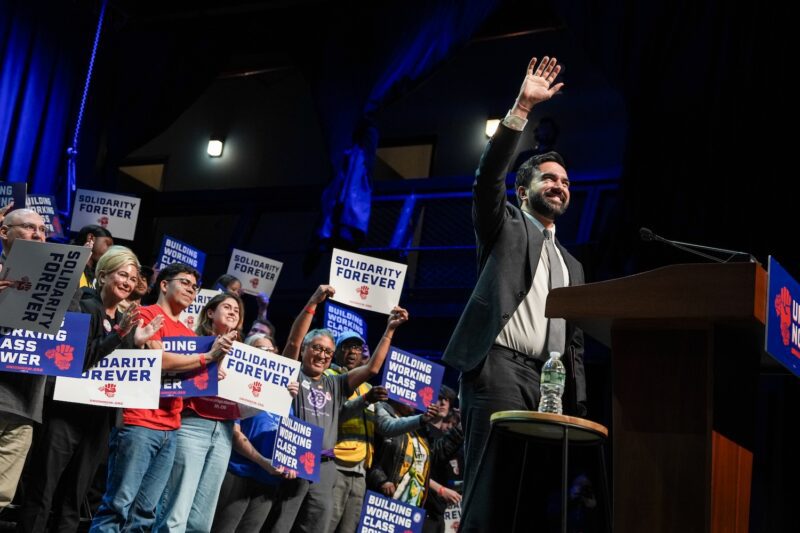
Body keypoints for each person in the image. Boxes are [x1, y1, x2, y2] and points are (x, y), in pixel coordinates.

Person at [441, 56, 586, 531]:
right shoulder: (504, 226)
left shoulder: (574, 265)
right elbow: (487, 179)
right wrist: (523, 106)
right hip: (497, 370)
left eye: (565, 182)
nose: (559, 187)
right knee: (487, 493)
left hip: (549, 386)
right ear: (524, 191)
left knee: (530, 497)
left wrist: (574, 403)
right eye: (549, 178)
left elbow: (577, 342)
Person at [17, 246, 163, 533]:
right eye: (122, 275)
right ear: (103, 274)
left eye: (133, 279)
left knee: (75, 497)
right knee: (43, 490)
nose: (128, 283)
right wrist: (121, 336)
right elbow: (80, 359)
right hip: (66, 415)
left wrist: (136, 342)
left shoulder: (125, 321)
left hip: (98, 420)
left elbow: (121, 372)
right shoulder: (84, 306)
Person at [89, 263, 235, 532]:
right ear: (164, 285)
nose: (191, 289)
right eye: (185, 283)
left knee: (145, 514)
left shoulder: (190, 336)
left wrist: (210, 372)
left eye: (195, 286)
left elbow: (187, 373)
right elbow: (162, 360)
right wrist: (204, 360)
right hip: (139, 422)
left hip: (171, 427)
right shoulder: (146, 314)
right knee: (118, 507)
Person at [272, 285, 409, 533]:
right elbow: (293, 339)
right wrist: (313, 301)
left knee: (316, 527)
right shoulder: (291, 371)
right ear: (304, 350)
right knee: (281, 525)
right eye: (316, 348)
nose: (322, 355)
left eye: (327, 351)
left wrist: (389, 329)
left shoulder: (334, 383)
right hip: (293, 458)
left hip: (326, 466)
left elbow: (372, 369)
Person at [154, 292, 245, 532]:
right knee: (176, 513)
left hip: (224, 431)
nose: (234, 311)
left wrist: (285, 388)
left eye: (237, 309)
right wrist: (207, 369)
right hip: (192, 425)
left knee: (201, 523)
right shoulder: (191, 342)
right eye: (227, 306)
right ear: (211, 313)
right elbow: (171, 381)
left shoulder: (245, 356)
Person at [210, 334, 297, 532]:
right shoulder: (236, 386)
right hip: (239, 472)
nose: (267, 354)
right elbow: (233, 433)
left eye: (270, 349)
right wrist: (263, 462)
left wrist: (291, 462)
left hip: (269, 480)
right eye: (260, 349)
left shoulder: (285, 393)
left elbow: (289, 438)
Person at [0, 208, 49, 509]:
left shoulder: (56, 279)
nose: (38, 235)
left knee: (3, 496)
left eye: (43, 230)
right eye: (30, 227)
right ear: (4, 232)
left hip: (26, 403)